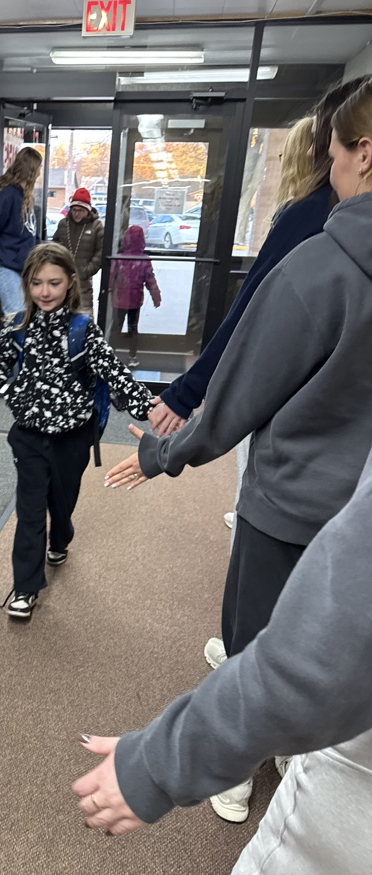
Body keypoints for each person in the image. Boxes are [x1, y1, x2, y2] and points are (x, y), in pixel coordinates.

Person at [103, 78, 372, 823]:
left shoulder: (320, 267)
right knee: (338, 631)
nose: (328, 166)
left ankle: (234, 766)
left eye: (334, 150)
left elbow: (239, 395)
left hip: (291, 501)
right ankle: (303, 756)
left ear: (364, 152)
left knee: (255, 632)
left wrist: (163, 453)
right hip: (360, 511)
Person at [73, 441, 372, 875]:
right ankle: (273, 749)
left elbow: (332, 649)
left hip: (296, 492)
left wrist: (161, 762)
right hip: (328, 494)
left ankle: (241, 769)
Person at [0, 243, 153, 621]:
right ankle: (26, 587)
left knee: (61, 504)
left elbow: (115, 374)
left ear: (70, 283)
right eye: (37, 283)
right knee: (30, 512)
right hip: (27, 436)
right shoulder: (15, 329)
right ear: (27, 284)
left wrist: (152, 407)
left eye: (54, 283)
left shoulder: (83, 330)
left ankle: (61, 538)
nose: (45, 292)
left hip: (73, 437)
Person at [147, 76, 367, 440]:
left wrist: (186, 395)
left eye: (331, 154)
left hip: (304, 425)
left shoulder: (316, 215)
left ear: (361, 153)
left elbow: (251, 311)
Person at [208, 114, 317, 669]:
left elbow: (251, 320)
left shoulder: (307, 224)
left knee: (263, 544)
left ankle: (244, 669)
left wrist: (184, 412)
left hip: (295, 447)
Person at [0, 146, 42, 316]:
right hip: (6, 266)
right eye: (38, 168)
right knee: (17, 317)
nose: (39, 173)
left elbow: (31, 235)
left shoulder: (26, 197)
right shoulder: (8, 195)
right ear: (31, 170)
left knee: (24, 318)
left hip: (23, 268)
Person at [108, 224, 161, 369]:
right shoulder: (144, 260)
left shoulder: (118, 258)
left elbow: (111, 277)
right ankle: (132, 357)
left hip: (118, 299)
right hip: (135, 300)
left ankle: (110, 355)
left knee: (115, 328)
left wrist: (108, 290)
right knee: (133, 328)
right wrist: (156, 296)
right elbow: (150, 280)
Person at [52, 186, 104, 316]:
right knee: (61, 315)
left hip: (83, 280)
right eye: (74, 210)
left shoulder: (96, 226)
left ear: (87, 210)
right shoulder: (64, 224)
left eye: (80, 210)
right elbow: (54, 246)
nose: (77, 213)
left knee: (84, 315)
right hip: (62, 278)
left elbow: (101, 251)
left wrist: (88, 270)